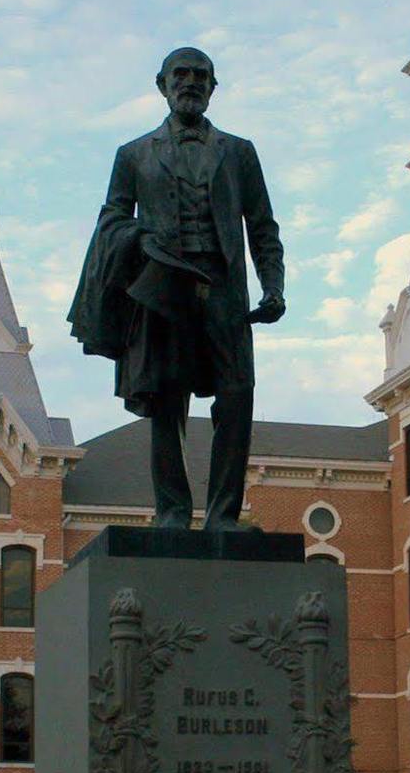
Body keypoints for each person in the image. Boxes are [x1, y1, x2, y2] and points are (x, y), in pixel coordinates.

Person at [67, 47, 285, 530]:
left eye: (200, 76)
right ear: (162, 84)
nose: (190, 82)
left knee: (237, 394)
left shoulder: (240, 152)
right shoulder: (133, 155)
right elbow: (113, 218)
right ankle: (171, 511)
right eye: (180, 74)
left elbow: (263, 227)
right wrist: (140, 235)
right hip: (163, 288)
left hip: (226, 288)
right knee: (168, 397)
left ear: (213, 86)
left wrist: (273, 287)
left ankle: (224, 515)